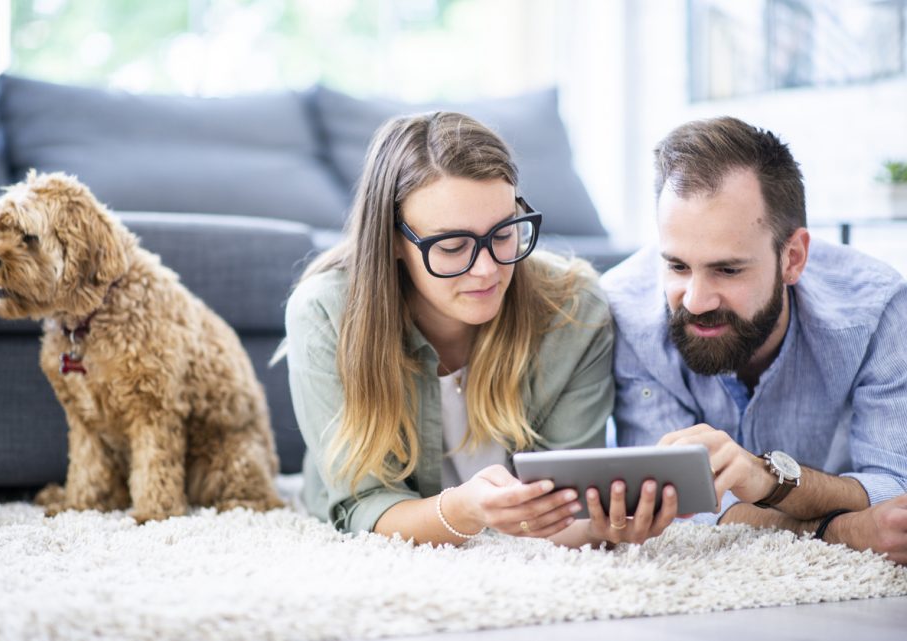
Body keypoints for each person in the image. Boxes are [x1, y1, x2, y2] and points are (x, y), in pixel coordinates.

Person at [282, 111, 678, 547]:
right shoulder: (325, 312)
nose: (488, 270)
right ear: (393, 240)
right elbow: (360, 508)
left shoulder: (573, 308)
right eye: (452, 246)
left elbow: (570, 503)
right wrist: (461, 511)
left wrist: (600, 525)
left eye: (505, 232)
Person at [601, 116, 907, 564]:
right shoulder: (627, 310)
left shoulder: (876, 310)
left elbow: (895, 493)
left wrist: (767, 479)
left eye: (727, 269)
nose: (697, 300)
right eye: (677, 266)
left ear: (793, 257)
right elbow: (677, 511)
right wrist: (839, 530)